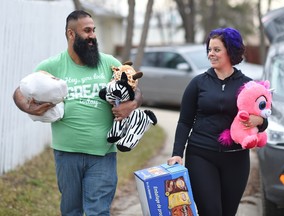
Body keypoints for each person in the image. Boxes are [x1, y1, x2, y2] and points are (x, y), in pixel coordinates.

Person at [13, 10, 142, 216]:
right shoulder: (52, 65)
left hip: (103, 153)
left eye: (94, 30)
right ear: (71, 34)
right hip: (66, 154)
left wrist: (132, 104)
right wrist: (27, 106)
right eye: (87, 31)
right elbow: (20, 91)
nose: (92, 35)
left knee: (97, 211)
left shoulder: (109, 63)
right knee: (71, 210)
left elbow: (134, 88)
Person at [167, 27, 268, 216]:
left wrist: (259, 121)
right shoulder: (198, 83)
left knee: (228, 212)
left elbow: (264, 119)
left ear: (230, 51)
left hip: (236, 158)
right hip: (201, 155)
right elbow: (184, 122)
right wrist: (177, 153)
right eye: (209, 50)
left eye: (216, 50)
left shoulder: (248, 85)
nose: (211, 54)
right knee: (210, 211)